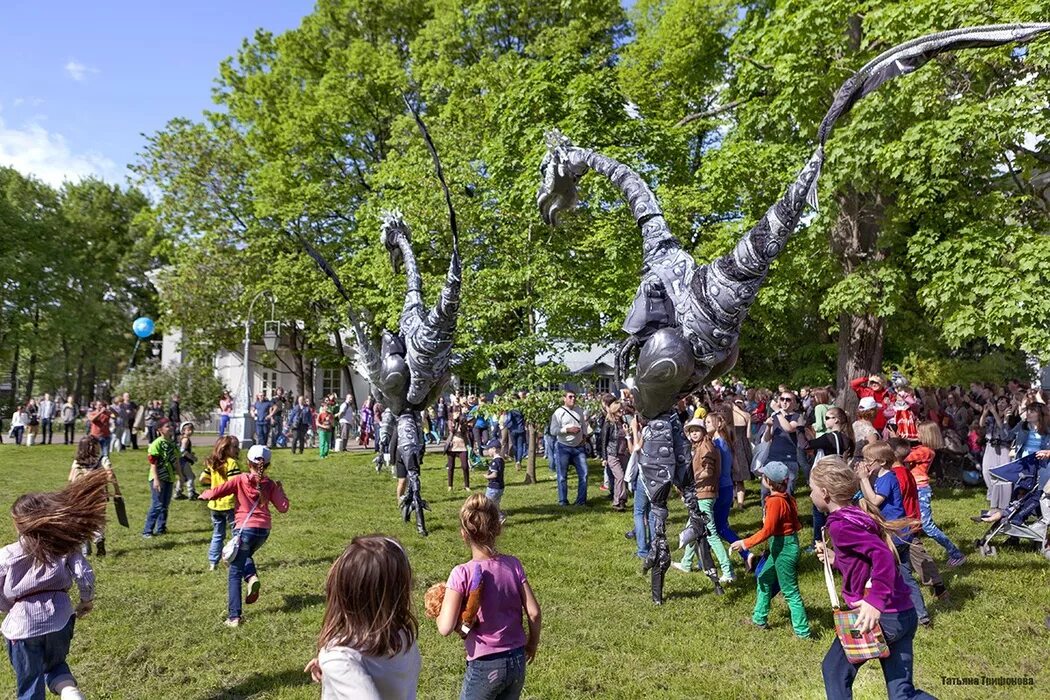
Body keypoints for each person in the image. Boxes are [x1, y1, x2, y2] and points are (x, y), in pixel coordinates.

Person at [810, 456, 935, 700]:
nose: (809, 496)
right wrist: (838, 559)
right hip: (903, 613)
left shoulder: (839, 524)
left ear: (824, 493)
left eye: (811, 490)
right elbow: (867, 558)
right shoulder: (856, 514)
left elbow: (883, 556)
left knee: (834, 671)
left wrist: (875, 601)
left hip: (880, 617)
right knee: (902, 695)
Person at [0, 470, 108, 700]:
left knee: (30, 681)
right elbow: (84, 573)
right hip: (61, 617)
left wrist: (8, 606)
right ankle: (71, 694)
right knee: (56, 665)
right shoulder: (64, 547)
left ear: (20, 524)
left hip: (23, 626)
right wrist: (86, 600)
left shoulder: (8, 554)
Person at [436, 494, 541, 700]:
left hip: (485, 664)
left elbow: (445, 627)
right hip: (517, 660)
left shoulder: (461, 573)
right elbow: (534, 613)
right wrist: (532, 644)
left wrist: (439, 612)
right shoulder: (513, 565)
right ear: (498, 529)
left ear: (463, 535)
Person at [303, 536, 422, 699]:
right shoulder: (401, 635)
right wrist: (332, 665)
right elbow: (377, 667)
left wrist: (334, 661)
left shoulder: (341, 657)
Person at [197, 445, 289, 627]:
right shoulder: (270, 485)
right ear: (268, 464)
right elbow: (283, 507)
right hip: (263, 531)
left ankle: (234, 617)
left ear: (248, 463)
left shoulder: (240, 479)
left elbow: (218, 491)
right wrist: (280, 490)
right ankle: (252, 577)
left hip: (245, 529)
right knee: (243, 556)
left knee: (234, 570)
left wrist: (205, 494)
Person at [730, 461, 811, 639]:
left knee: (790, 592)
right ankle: (759, 618)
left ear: (768, 481)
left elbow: (768, 530)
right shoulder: (785, 497)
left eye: (763, 476)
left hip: (784, 548)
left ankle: (803, 632)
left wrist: (745, 543)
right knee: (764, 578)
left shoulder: (776, 502)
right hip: (780, 546)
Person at [855, 442, 931, 626]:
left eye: (868, 460)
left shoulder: (889, 478)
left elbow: (874, 500)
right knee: (904, 575)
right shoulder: (879, 477)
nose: (865, 464)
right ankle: (921, 615)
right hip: (897, 532)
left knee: (879, 571)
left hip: (896, 534)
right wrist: (862, 480)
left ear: (881, 462)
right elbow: (866, 497)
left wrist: (863, 479)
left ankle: (879, 612)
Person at [673, 419, 733, 584]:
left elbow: (708, 471)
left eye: (697, 430)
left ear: (703, 431)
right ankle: (686, 563)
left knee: (711, 534)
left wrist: (691, 481)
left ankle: (728, 571)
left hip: (704, 495)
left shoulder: (706, 447)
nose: (693, 433)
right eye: (691, 430)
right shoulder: (701, 445)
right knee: (692, 528)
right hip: (701, 494)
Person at [905, 424, 965, 566]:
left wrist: (897, 441)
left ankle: (956, 553)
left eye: (919, 432)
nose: (916, 433)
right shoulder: (922, 449)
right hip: (916, 489)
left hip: (920, 489)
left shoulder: (925, 451)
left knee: (927, 525)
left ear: (927, 435)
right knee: (912, 523)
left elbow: (905, 456)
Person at [806, 407, 854, 548]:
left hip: (826, 475)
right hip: (839, 472)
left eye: (827, 418)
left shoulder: (829, 438)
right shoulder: (847, 438)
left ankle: (818, 541)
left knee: (819, 511)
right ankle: (838, 539)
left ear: (836, 420)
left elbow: (806, 445)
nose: (825, 420)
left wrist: (801, 429)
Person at [198, 436, 242, 571]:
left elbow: (202, 479)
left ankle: (213, 563)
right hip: (229, 504)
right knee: (237, 534)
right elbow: (235, 484)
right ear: (226, 448)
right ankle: (235, 559)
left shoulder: (213, 463)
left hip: (214, 505)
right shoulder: (232, 463)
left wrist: (214, 484)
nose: (237, 449)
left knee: (218, 534)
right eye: (234, 447)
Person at [67, 436, 112, 557]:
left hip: (81, 497)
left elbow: (71, 479)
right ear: (94, 447)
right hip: (99, 496)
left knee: (83, 521)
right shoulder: (102, 459)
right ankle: (99, 539)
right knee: (98, 520)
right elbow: (110, 475)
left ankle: (85, 550)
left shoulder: (77, 462)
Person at [549, 391, 589, 507]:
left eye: (574, 397)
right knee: (562, 476)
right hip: (563, 447)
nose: (573, 399)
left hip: (579, 447)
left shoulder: (579, 411)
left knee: (584, 474)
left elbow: (584, 425)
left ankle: (581, 501)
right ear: (564, 399)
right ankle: (563, 501)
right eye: (570, 397)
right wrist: (567, 430)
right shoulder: (558, 413)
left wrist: (584, 437)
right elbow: (553, 431)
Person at [761, 391, 803, 497]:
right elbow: (767, 439)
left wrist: (778, 412)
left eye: (788, 400)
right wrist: (769, 426)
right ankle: (766, 513)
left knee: (787, 493)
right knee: (765, 492)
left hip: (789, 459)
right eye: (782, 399)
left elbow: (789, 428)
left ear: (794, 403)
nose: (784, 402)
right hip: (772, 458)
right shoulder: (775, 416)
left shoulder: (798, 417)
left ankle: (787, 513)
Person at [143, 419, 179, 538]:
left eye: (171, 426)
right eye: (167, 426)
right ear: (160, 430)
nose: (171, 428)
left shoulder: (172, 444)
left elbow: (176, 461)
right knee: (157, 504)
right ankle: (147, 531)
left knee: (165, 505)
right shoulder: (157, 443)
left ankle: (161, 528)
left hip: (169, 477)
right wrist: (156, 479)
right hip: (158, 477)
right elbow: (153, 463)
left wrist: (181, 476)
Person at [597, 400, 629, 512]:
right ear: (614, 410)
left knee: (623, 477)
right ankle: (617, 501)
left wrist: (627, 431)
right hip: (612, 454)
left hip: (623, 453)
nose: (622, 411)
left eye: (622, 409)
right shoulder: (609, 424)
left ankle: (622, 500)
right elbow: (604, 441)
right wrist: (604, 458)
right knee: (619, 476)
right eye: (619, 409)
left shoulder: (623, 422)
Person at [445, 408, 471, 492]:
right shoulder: (450, 421)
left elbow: (464, 431)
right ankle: (450, 486)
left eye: (458, 412)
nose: (457, 413)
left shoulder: (463, 420)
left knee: (465, 466)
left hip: (462, 446)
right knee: (451, 466)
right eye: (455, 412)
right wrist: (455, 421)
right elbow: (452, 430)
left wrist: (461, 423)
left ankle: (467, 486)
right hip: (452, 447)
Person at [483, 439, 507, 522]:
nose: (487, 451)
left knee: (487, 504)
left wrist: (487, 476)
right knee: (495, 503)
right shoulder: (501, 460)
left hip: (493, 487)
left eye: (488, 449)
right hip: (500, 487)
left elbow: (495, 474)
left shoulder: (494, 462)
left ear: (494, 449)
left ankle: (489, 520)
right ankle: (499, 516)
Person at [175, 422, 198, 500]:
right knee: (190, 477)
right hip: (183, 461)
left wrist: (191, 453)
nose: (190, 431)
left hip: (179, 461)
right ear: (183, 430)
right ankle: (191, 493)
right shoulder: (186, 440)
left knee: (183, 477)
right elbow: (182, 451)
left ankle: (178, 493)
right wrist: (192, 457)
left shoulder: (181, 438)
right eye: (188, 430)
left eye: (191, 430)